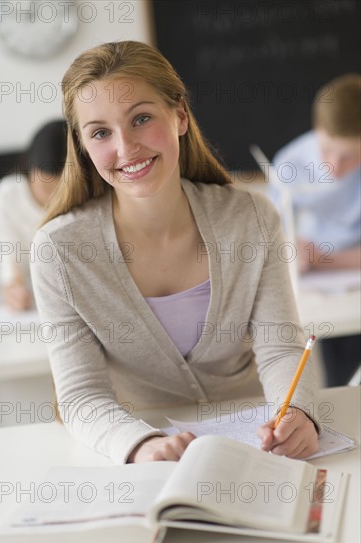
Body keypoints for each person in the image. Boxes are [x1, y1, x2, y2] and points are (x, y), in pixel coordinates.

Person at [30, 40, 320, 465]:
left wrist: (296, 414)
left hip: (257, 445)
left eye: (141, 118)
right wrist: (141, 445)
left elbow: (280, 348)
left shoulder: (251, 218)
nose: (126, 148)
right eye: (101, 132)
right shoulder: (58, 251)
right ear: (84, 147)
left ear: (180, 115)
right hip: (140, 452)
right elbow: (81, 395)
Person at [272, 74, 361, 387]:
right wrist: (294, 252)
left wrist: (323, 259)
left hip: (338, 271)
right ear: (316, 131)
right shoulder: (289, 164)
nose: (335, 167)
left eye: (350, 156)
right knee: (340, 374)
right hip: (319, 288)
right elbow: (277, 240)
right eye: (327, 151)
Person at [0, 120, 67, 310]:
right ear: (30, 166)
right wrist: (13, 285)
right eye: (44, 186)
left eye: (59, 189)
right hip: (30, 301)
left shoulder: (80, 197)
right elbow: (9, 250)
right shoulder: (8, 193)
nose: (51, 196)